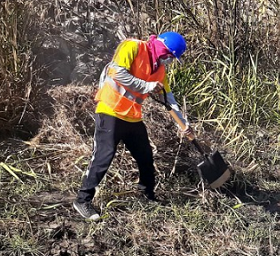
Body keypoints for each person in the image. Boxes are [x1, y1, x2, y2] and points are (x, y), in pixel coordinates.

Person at [73, 31, 194, 221]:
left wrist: (183, 124)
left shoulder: (160, 71)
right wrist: (146, 87)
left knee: (145, 156)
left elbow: (167, 98)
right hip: (110, 111)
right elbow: (117, 72)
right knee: (103, 156)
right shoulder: (133, 47)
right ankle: (82, 200)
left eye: (171, 59)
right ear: (162, 47)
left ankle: (147, 195)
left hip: (132, 117)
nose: (168, 61)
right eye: (169, 56)